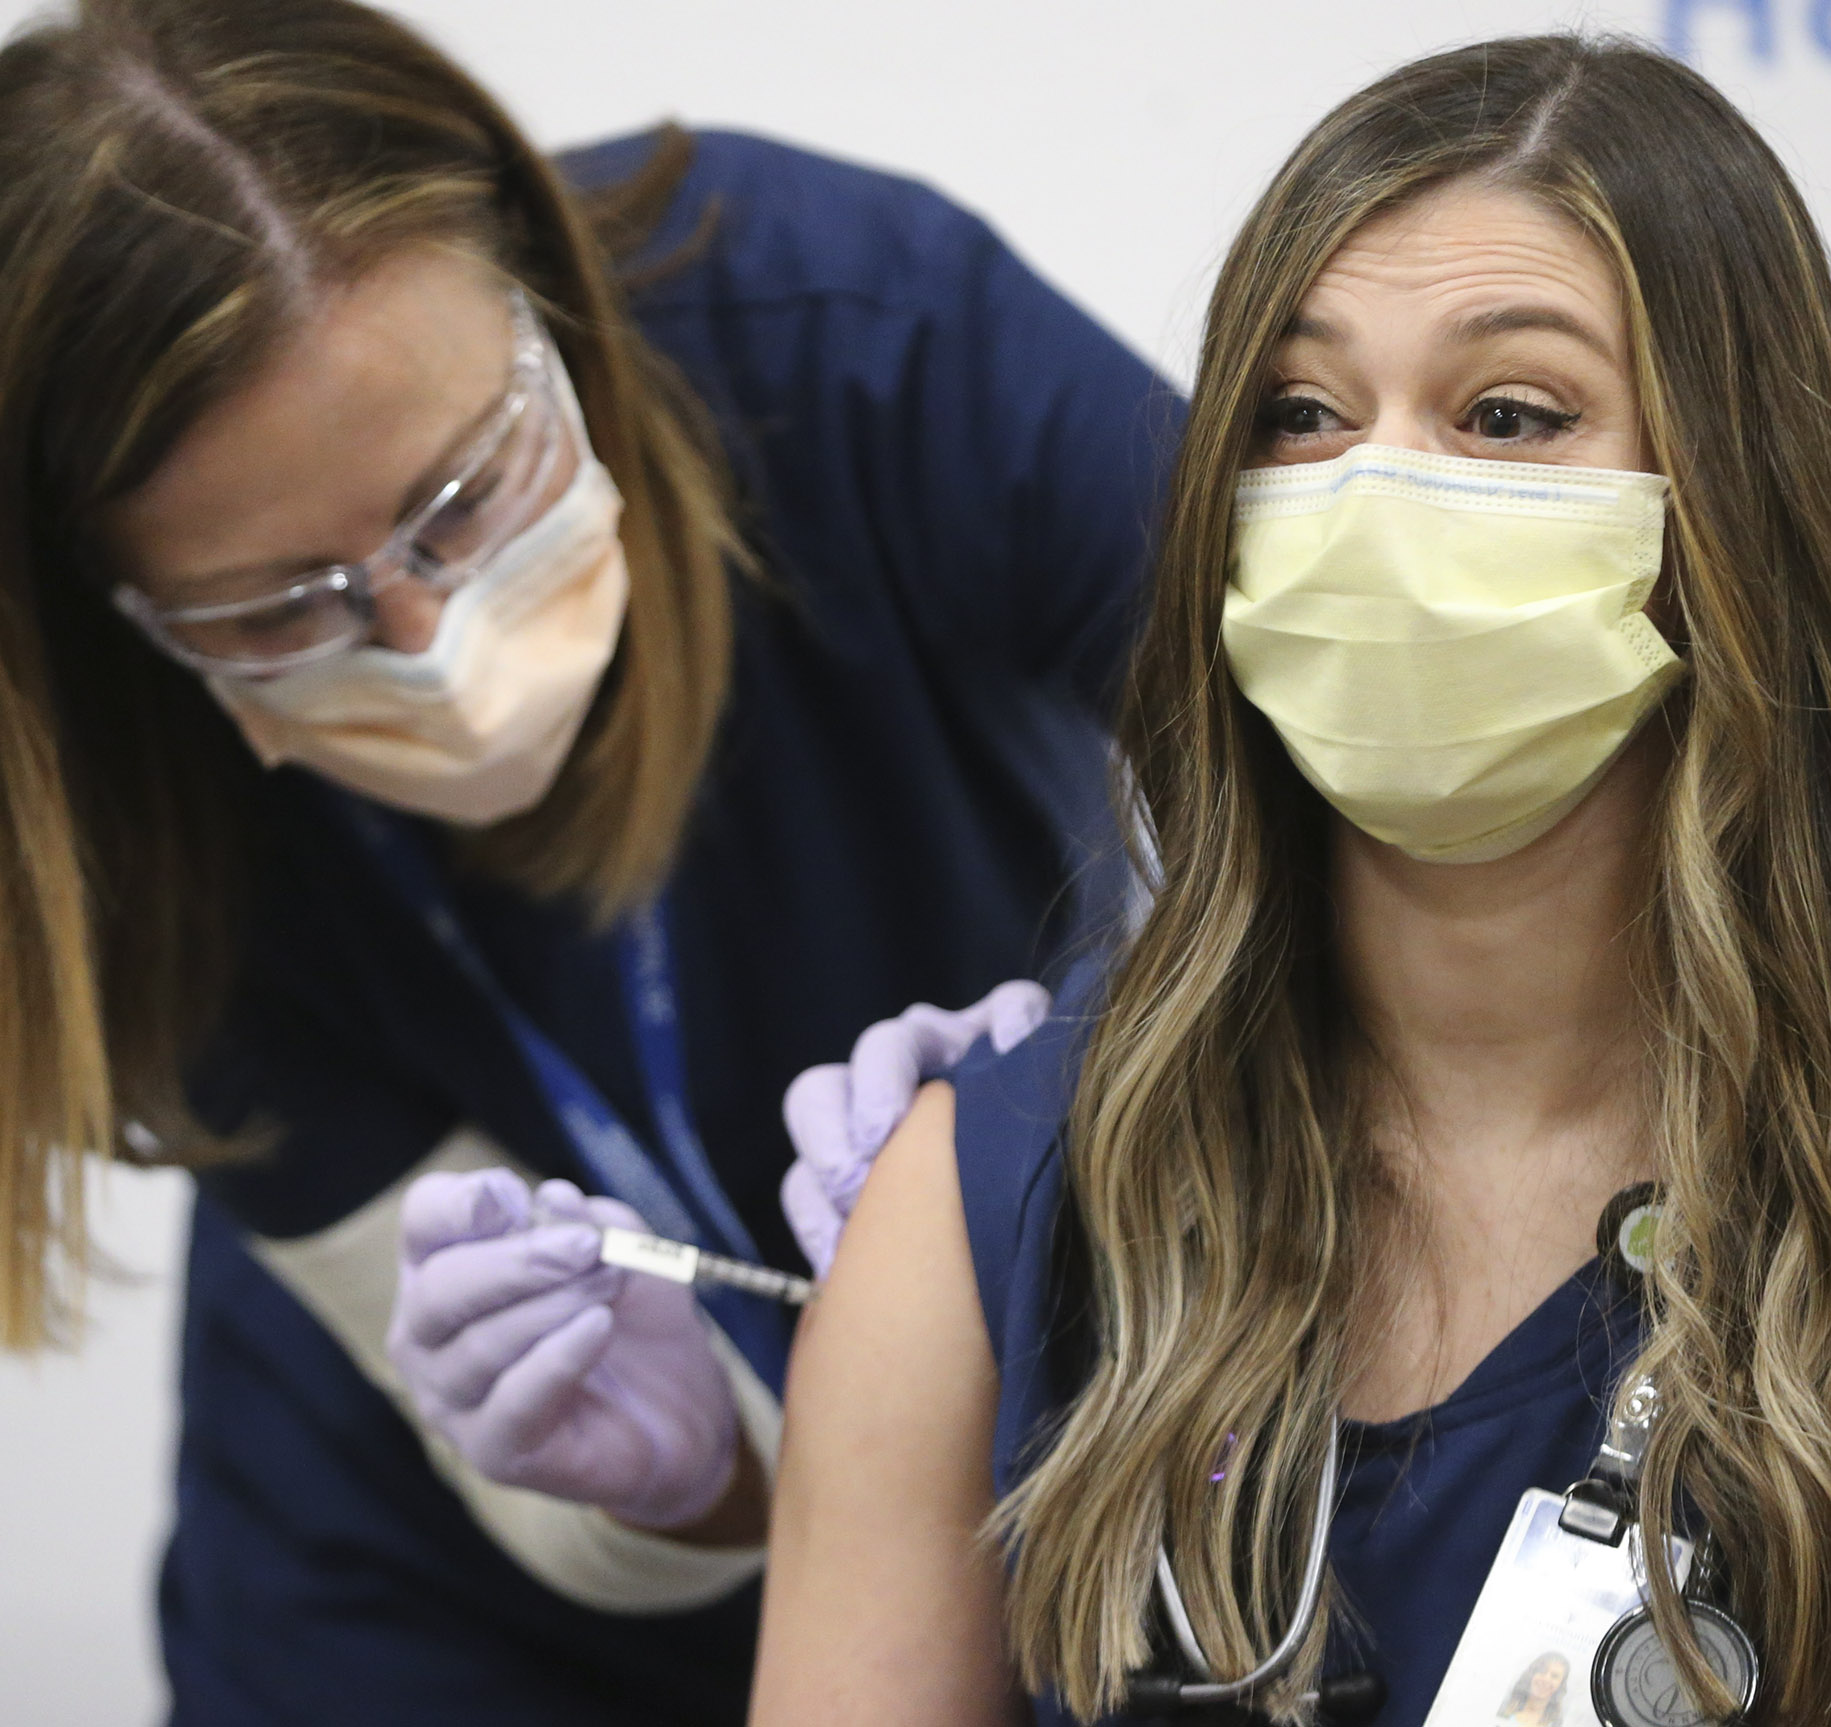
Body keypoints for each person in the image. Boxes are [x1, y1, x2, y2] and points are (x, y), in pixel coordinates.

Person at [752, 35, 1831, 1727]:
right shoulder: (1004, 1191)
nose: (1375, 495)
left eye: (1510, 414)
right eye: (1302, 415)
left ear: (1734, 503)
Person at [0, 0, 1175, 1719]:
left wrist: (1136, 1074)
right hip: (437, 1611)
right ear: (117, 617)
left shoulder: (855, 330)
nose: (424, 636)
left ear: (547, 304)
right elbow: (582, 1500)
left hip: (1033, 1477)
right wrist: (678, 1479)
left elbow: (1339, 768)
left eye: (465, 493)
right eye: (279, 607)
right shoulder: (98, 818)